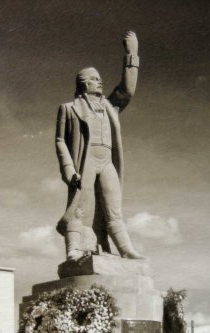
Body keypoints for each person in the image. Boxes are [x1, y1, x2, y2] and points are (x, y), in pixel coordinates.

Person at [55, 31, 145, 261]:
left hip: (106, 162)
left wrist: (131, 53)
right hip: (84, 162)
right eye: (94, 78)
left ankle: (125, 249)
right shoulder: (68, 108)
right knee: (79, 208)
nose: (100, 81)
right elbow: (60, 141)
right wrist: (68, 170)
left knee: (113, 208)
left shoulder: (109, 106)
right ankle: (73, 250)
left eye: (100, 78)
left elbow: (127, 90)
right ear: (83, 83)